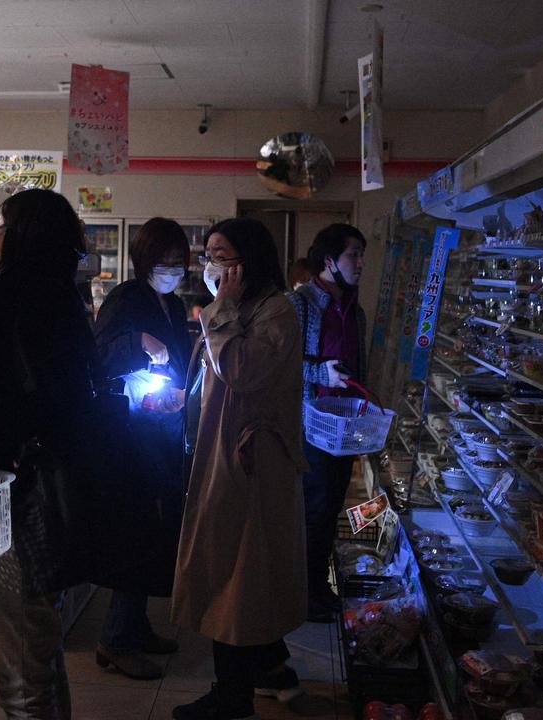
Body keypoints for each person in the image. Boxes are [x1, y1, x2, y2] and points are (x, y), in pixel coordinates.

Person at [0, 189, 101, 720]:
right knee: (38, 635)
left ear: (25, 235)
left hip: (29, 489)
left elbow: (38, 401)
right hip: (43, 482)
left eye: (2, 223)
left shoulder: (35, 299)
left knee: (22, 643)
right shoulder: (43, 291)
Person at [171, 217, 309, 720]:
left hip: (250, 464)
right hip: (222, 456)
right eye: (209, 254)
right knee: (236, 573)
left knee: (237, 576)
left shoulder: (276, 311)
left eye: (224, 255)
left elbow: (242, 372)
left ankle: (233, 698)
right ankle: (269, 670)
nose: (214, 265)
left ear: (249, 258)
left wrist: (220, 312)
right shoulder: (244, 308)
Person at [90, 218, 192, 680]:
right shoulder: (126, 298)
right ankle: (115, 637)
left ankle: (134, 626)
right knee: (136, 530)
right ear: (144, 261)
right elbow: (100, 354)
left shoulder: (171, 302)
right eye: (163, 263)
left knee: (155, 529)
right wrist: (137, 342)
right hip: (131, 435)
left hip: (161, 428)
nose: (171, 271)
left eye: (178, 263)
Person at [287, 223, 368, 623]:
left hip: (346, 427)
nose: (360, 263)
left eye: (361, 255)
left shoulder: (356, 308)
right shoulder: (299, 304)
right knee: (313, 511)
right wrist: (322, 375)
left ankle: (317, 587)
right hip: (311, 426)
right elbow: (281, 362)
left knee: (331, 507)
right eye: (354, 255)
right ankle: (301, 593)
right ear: (329, 261)